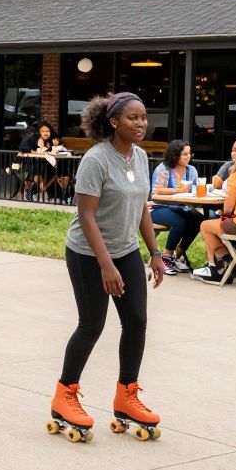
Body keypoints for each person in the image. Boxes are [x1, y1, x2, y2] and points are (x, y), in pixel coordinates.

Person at [49, 92, 164, 444]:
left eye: (143, 117)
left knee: (137, 321)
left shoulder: (140, 156)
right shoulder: (96, 159)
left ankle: (126, 395)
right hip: (88, 253)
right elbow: (86, 216)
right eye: (133, 117)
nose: (141, 123)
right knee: (91, 325)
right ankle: (64, 395)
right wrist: (105, 265)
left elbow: (141, 207)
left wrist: (155, 251)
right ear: (114, 122)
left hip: (126, 250)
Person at [192, 141, 236, 283]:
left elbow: (228, 209)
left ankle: (218, 264)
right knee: (218, 224)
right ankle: (233, 260)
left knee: (205, 225)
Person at [149, 139, 203, 276]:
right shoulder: (163, 168)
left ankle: (177, 255)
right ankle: (166, 258)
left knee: (199, 219)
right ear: (175, 155)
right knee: (179, 222)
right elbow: (156, 191)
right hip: (158, 207)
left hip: (181, 207)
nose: (188, 157)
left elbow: (194, 189)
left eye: (190, 153)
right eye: (185, 154)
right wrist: (178, 190)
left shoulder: (191, 170)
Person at [19, 121, 64, 200]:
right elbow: (24, 148)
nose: (45, 133)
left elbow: (57, 147)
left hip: (46, 165)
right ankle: (35, 192)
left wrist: (52, 147)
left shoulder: (51, 139)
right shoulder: (33, 139)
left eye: (47, 131)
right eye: (43, 131)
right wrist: (35, 151)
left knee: (54, 173)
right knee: (38, 175)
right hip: (33, 164)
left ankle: (42, 192)